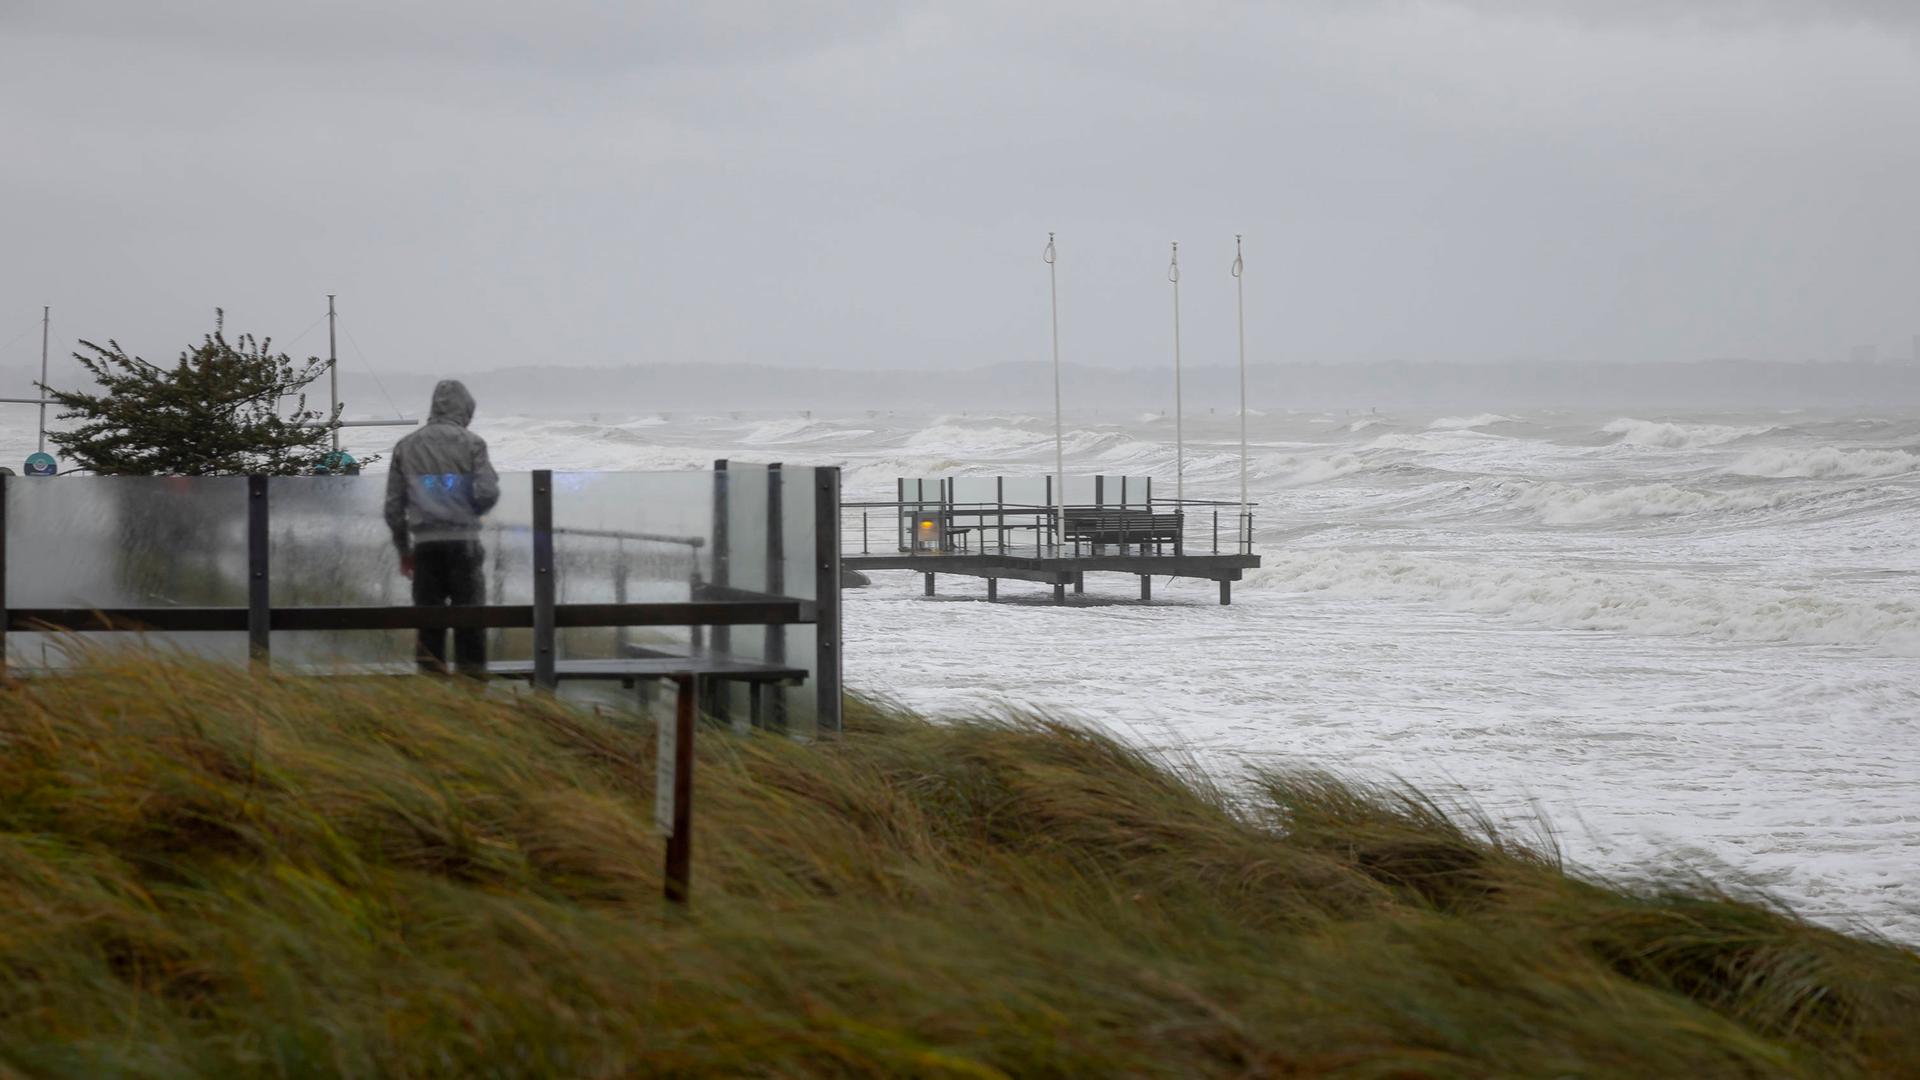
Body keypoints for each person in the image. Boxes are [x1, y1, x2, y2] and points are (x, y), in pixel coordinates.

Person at [384, 379, 500, 675]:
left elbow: (394, 509)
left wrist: (403, 550)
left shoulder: (406, 446)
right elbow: (487, 492)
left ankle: (432, 696)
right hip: (465, 544)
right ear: (465, 409)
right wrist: (470, 512)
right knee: (470, 623)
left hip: (425, 548)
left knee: (430, 626)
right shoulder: (472, 443)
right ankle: (472, 693)